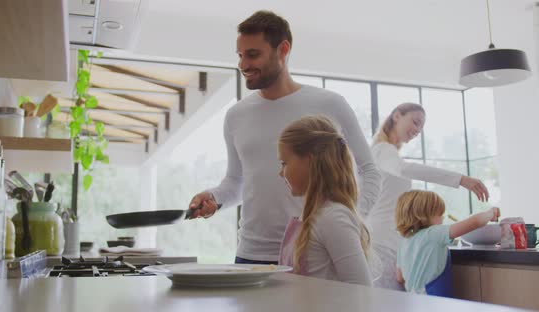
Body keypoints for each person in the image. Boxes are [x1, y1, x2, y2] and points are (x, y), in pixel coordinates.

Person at [187, 10, 381, 264]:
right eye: (240, 55)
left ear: (283, 49)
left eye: (253, 54)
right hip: (250, 256)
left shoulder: (330, 104)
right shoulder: (236, 116)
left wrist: (349, 219)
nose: (243, 65)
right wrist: (215, 197)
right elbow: (237, 183)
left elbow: (370, 171)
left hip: (311, 253)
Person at [368, 102, 489, 289]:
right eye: (415, 122)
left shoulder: (385, 153)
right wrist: (461, 179)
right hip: (383, 242)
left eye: (421, 127)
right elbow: (403, 169)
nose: (417, 130)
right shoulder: (383, 150)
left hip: (389, 241)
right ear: (397, 116)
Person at [277, 115, 373, 285]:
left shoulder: (333, 218)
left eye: (284, 163)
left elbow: (361, 290)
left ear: (309, 160)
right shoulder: (310, 217)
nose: (280, 172)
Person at [395, 190, 500, 296]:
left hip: (412, 300)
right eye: (439, 214)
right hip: (433, 301)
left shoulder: (404, 242)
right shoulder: (434, 233)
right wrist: (491, 213)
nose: (443, 217)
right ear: (424, 216)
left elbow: (399, 278)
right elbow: (475, 222)